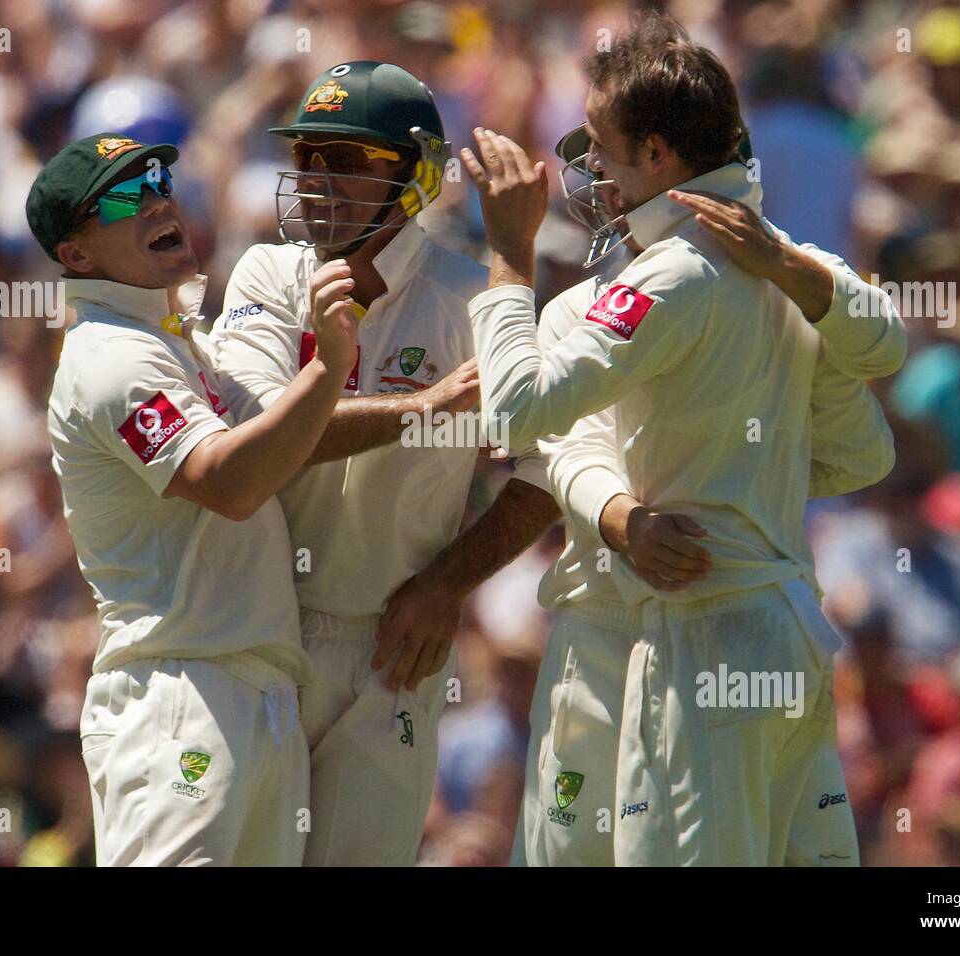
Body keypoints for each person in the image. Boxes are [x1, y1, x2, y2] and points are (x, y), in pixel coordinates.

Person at [459, 14, 907, 865]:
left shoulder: (681, 272)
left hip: (701, 637)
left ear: (658, 155)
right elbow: (867, 435)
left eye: (601, 145)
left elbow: (516, 412)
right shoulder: (776, 264)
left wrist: (510, 258)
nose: (589, 169)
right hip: (787, 632)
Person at [205, 62, 562, 866]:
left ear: (414, 176)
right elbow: (263, 430)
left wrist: (448, 584)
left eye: (347, 161)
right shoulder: (269, 274)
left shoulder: (475, 299)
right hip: (257, 629)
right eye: (308, 159)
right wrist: (424, 409)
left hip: (390, 652)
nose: (318, 182)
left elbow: (547, 470)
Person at [29, 132, 359, 865]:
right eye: (124, 197)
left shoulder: (179, 341)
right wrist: (331, 368)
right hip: (178, 694)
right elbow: (231, 484)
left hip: (253, 692)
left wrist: (437, 405)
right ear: (76, 255)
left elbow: (289, 439)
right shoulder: (110, 355)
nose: (155, 201)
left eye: (156, 182)